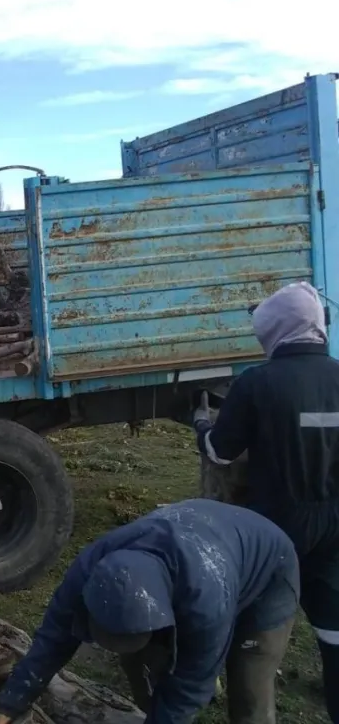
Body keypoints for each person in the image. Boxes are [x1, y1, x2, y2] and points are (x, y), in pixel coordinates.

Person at [0, 499, 299, 724]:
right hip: (205, 544)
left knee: (249, 691)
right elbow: (51, 642)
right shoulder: (87, 572)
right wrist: (8, 707)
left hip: (269, 569)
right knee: (146, 667)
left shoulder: (204, 603)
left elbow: (189, 687)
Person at [192, 279, 339, 722]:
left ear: (275, 332)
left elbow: (221, 452)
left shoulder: (257, 382)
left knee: (255, 629)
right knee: (334, 631)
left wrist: (201, 423)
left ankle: (235, 697)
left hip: (275, 529)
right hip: (336, 526)